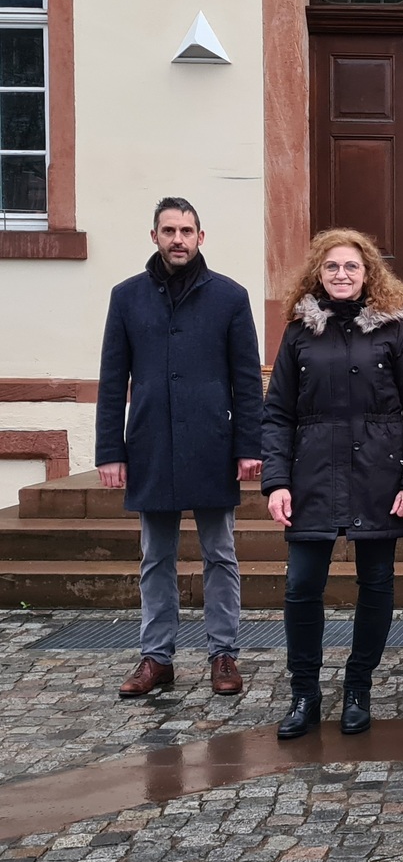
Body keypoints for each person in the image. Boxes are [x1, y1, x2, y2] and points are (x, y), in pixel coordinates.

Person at [262, 229, 403, 740]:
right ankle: (305, 692)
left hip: (378, 478)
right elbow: (277, 414)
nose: (341, 274)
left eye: (352, 267)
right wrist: (276, 482)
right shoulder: (299, 330)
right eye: (332, 266)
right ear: (318, 272)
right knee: (301, 586)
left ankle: (358, 687)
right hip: (312, 475)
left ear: (368, 274)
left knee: (376, 585)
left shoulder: (396, 329)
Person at [96, 196, 263, 698]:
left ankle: (223, 653)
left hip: (212, 443)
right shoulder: (126, 297)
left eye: (187, 231)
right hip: (150, 442)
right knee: (155, 556)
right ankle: (157, 656)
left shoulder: (230, 297)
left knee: (220, 552)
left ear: (201, 237)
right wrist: (110, 449)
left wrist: (249, 445)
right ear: (154, 237)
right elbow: (111, 381)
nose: (178, 239)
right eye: (169, 230)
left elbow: (247, 382)